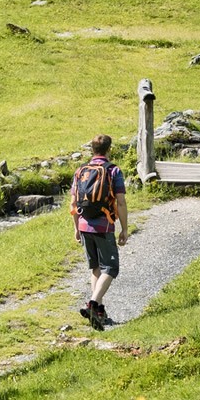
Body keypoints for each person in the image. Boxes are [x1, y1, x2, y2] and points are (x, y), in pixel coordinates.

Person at [70, 134, 127, 331]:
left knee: (95, 267)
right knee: (110, 268)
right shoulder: (114, 171)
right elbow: (120, 201)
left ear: (92, 150)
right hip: (104, 226)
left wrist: (76, 228)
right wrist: (124, 229)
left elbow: (73, 203)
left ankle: (99, 311)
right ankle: (93, 303)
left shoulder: (80, 171)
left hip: (84, 225)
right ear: (109, 149)